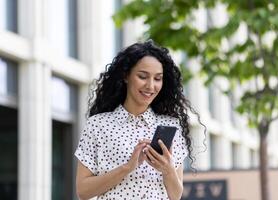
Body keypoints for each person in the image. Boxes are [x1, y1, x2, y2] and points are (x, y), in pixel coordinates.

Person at [75, 40, 205, 200]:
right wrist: (127, 168)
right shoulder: (98, 125)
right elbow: (83, 191)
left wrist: (167, 169)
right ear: (126, 76)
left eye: (158, 79)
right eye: (143, 76)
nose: (151, 86)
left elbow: (175, 195)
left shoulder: (170, 126)